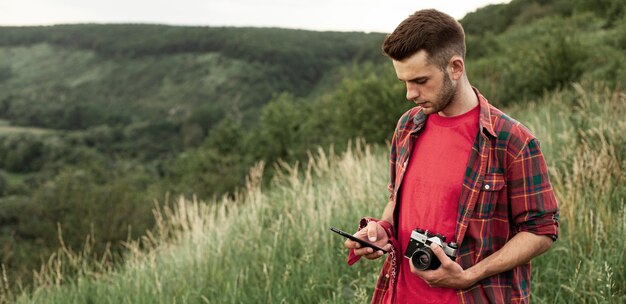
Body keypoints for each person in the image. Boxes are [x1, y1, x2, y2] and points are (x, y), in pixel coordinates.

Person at [344, 9, 559, 304]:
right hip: (399, 296)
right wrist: (382, 231)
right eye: (404, 81)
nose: (410, 93)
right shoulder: (408, 126)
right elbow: (399, 200)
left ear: (455, 67)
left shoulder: (512, 141)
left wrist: (469, 275)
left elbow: (541, 231)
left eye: (420, 80)